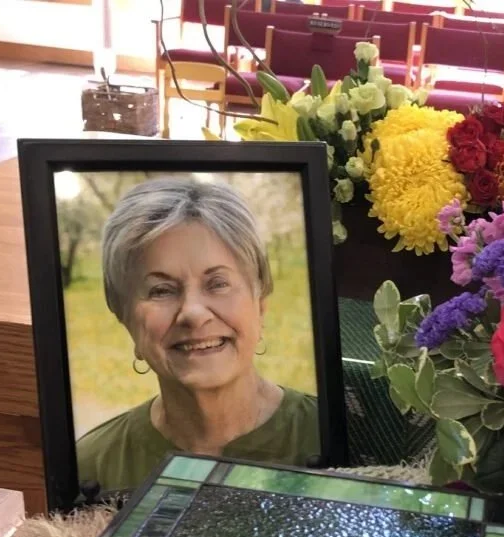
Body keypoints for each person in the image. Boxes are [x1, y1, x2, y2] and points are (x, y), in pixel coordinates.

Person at [75, 176, 320, 493]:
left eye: (217, 283)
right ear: (125, 318)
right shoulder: (93, 467)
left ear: (260, 303)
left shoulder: (330, 436)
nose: (193, 313)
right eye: (161, 290)